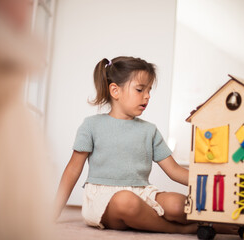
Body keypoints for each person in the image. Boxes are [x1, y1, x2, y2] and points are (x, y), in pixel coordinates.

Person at [54, 56, 196, 234]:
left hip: (143, 194)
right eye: (140, 89)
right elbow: (73, 169)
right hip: (104, 200)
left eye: (149, 90)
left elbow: (174, 170)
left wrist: (207, 182)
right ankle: (181, 230)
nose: (147, 96)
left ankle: (216, 223)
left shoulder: (149, 130)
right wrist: (56, 208)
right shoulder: (91, 125)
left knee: (179, 205)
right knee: (126, 202)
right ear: (115, 91)